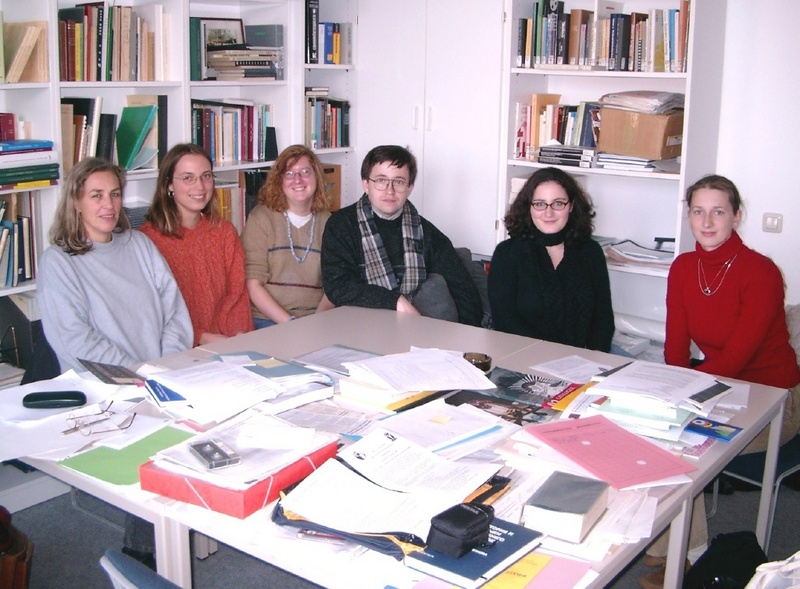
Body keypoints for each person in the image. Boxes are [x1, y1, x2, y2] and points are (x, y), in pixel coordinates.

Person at [641, 175, 800, 589]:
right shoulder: (683, 267)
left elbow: (737, 358)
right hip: (719, 387)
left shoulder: (761, 272)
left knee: (685, 450)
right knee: (652, 434)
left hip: (776, 398)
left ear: (737, 216)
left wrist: (687, 394)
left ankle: (689, 561)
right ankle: (672, 550)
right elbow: (675, 348)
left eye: (718, 211)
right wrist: (673, 388)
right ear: (688, 215)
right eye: (698, 211)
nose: (707, 221)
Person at [37, 157, 193, 569]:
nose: (108, 205)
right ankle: (142, 553)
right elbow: (76, 340)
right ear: (76, 202)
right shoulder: (59, 261)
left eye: (115, 194)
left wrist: (166, 362)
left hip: (159, 371)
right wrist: (139, 374)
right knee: (162, 438)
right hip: (104, 386)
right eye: (96, 196)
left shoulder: (139, 244)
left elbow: (173, 308)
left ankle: (175, 528)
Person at [321, 144, 482, 325]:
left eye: (398, 182)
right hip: (356, 328)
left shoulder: (425, 232)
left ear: (409, 187)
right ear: (366, 184)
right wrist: (395, 301)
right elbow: (338, 286)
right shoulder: (341, 225)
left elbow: (463, 289)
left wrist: (466, 340)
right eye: (381, 180)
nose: (390, 190)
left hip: (413, 330)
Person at [488, 167, 614, 351]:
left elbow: (603, 320)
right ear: (528, 207)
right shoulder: (507, 254)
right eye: (540, 204)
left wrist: (595, 361)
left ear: (571, 206)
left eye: (558, 203)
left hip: (581, 360)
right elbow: (506, 322)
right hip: (523, 357)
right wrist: (552, 357)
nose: (548, 213)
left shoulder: (591, 252)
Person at [140, 143, 252, 345]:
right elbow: (154, 312)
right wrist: (201, 337)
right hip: (175, 348)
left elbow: (237, 296)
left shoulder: (224, 231)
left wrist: (236, 341)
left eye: (206, 176)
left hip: (227, 343)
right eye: (187, 178)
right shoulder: (147, 241)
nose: (200, 186)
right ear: (168, 185)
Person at [241, 144, 334, 328]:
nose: (298, 180)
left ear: (317, 177)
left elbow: (333, 287)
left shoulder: (329, 222)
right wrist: (291, 325)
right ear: (279, 180)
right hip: (266, 320)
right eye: (289, 174)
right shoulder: (261, 219)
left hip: (315, 320)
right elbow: (253, 284)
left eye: (305, 171)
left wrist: (315, 325)